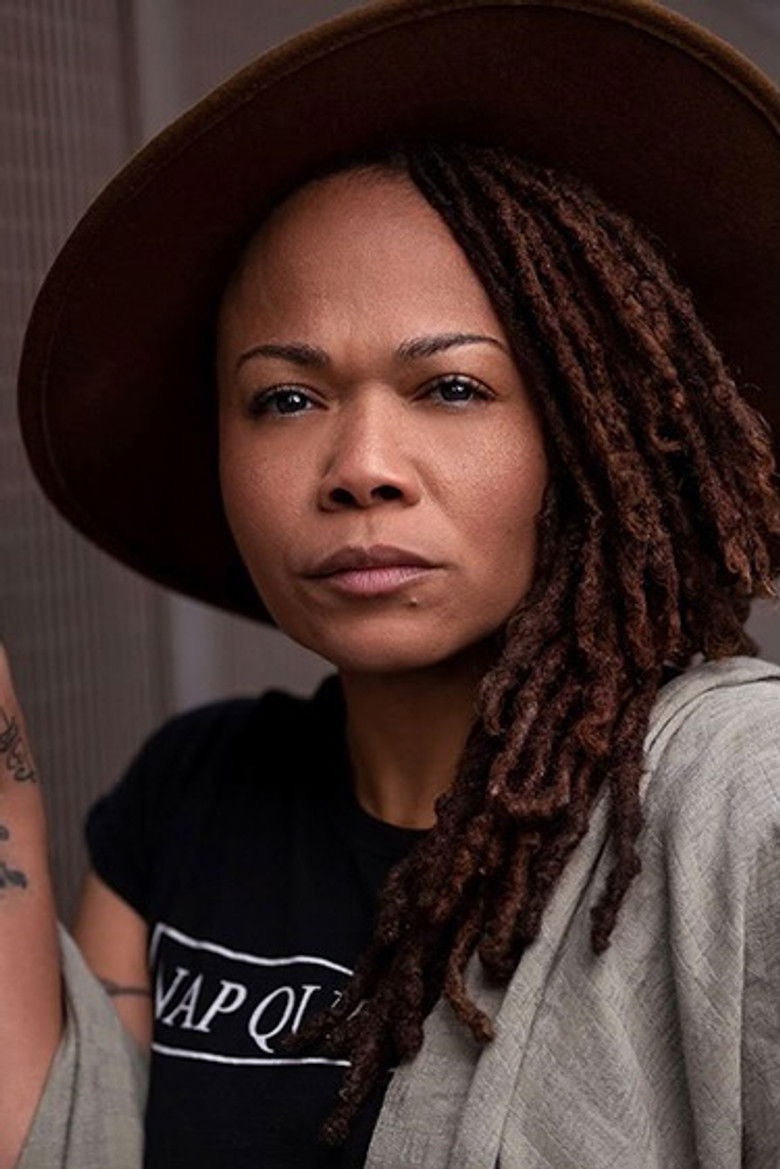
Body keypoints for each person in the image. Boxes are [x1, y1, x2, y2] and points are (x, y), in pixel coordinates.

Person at [4, 0, 780, 1166]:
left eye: (453, 388)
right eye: (285, 398)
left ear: (589, 431)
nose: (361, 466)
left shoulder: (741, 798)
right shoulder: (188, 795)